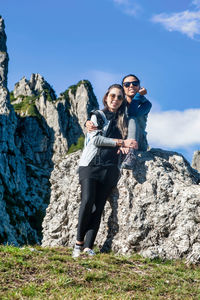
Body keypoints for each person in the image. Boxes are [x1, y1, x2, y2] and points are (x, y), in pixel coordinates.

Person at [72, 84, 137, 258]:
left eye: (119, 97)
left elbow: (133, 139)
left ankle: (88, 247)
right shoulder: (97, 115)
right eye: (112, 96)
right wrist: (121, 143)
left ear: (123, 101)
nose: (115, 100)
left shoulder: (126, 120)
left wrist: (127, 145)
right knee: (87, 201)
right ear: (106, 97)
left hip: (110, 169)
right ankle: (78, 244)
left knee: (98, 207)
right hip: (91, 165)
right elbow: (96, 140)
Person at [86, 74, 152, 169]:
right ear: (123, 89)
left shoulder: (146, 104)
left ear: (139, 86)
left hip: (138, 141)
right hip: (121, 140)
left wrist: (138, 96)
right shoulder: (120, 102)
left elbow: (132, 113)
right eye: (127, 84)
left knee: (132, 119)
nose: (131, 86)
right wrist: (88, 121)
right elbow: (106, 113)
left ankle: (131, 154)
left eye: (135, 83)